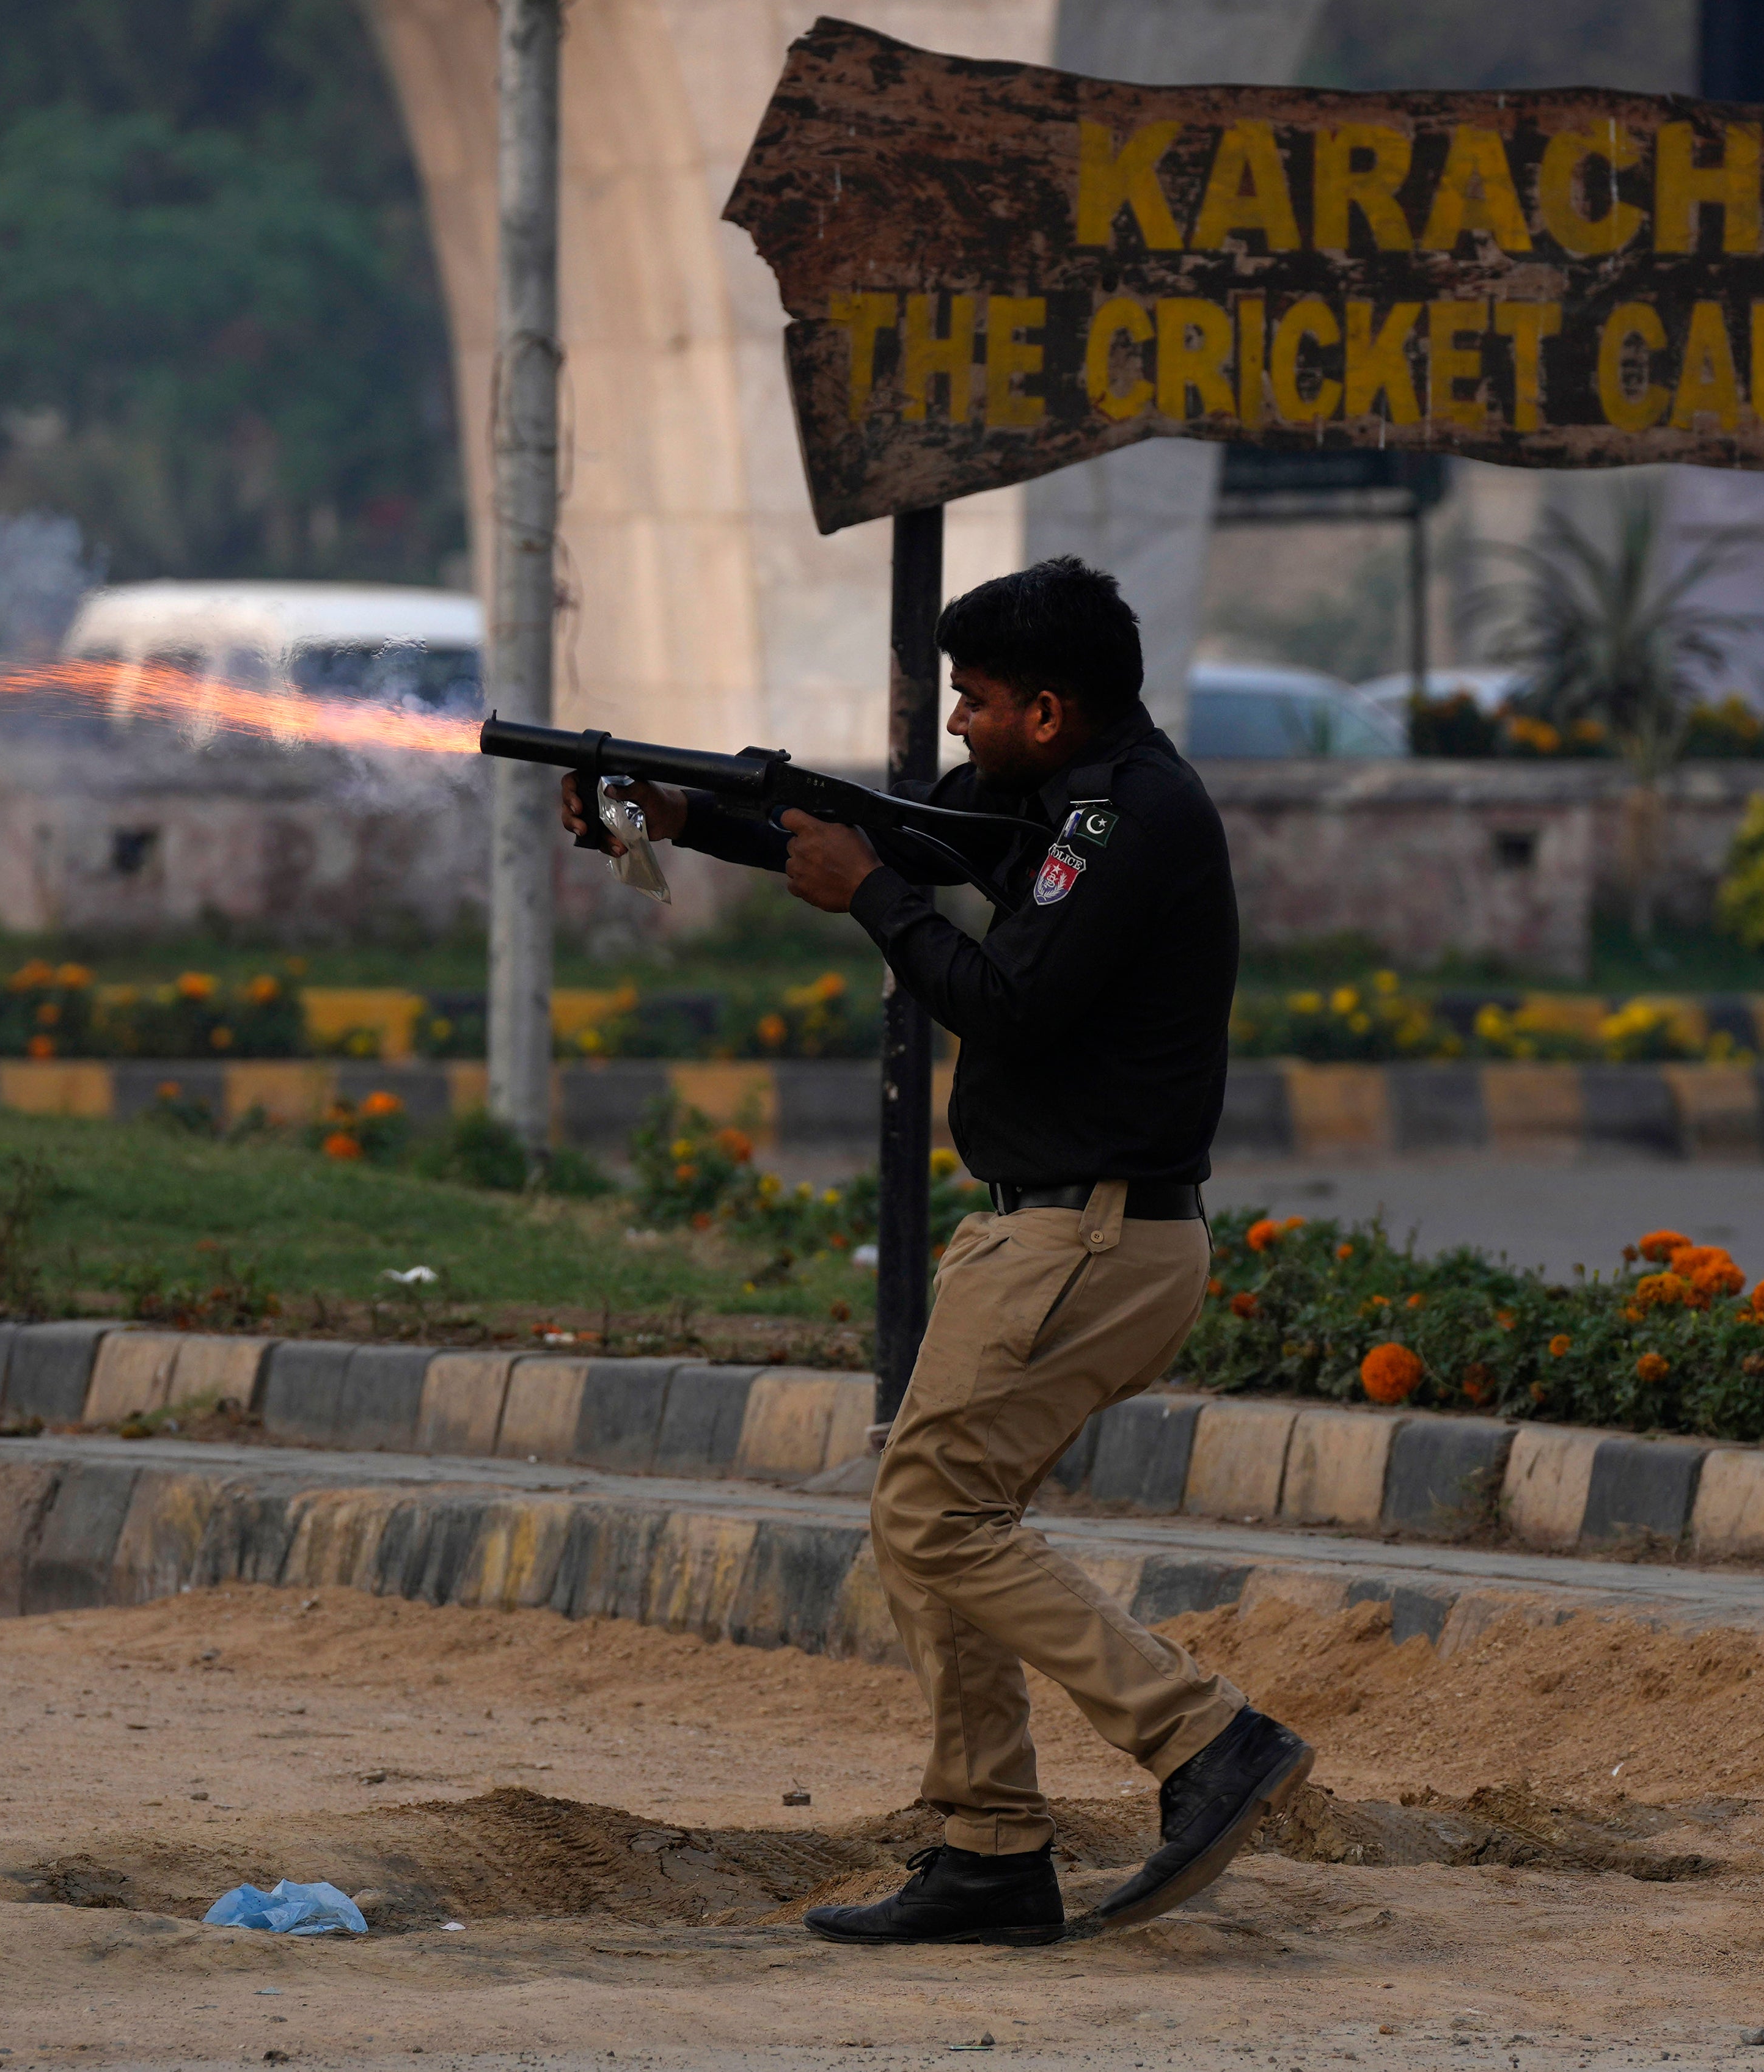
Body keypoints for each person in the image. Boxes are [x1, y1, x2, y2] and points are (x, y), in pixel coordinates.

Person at [558, 556, 1312, 1947]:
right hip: (1059, 1230)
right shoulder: (1055, 796)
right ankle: (985, 1849)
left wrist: (867, 902)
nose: (955, 721)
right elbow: (891, 831)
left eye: (971, 699)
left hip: (1092, 1236)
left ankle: (1203, 1738)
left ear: (1045, 705)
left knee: (934, 1515)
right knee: (933, 1524)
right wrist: (681, 813)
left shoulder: (1121, 818)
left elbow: (1002, 997)